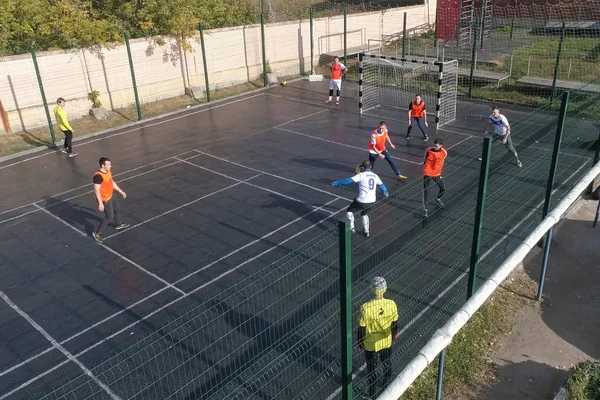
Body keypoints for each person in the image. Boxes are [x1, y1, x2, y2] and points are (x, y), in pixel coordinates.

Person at [358, 276, 400, 398]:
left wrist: (360, 341)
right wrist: (394, 334)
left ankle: (372, 394)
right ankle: (386, 386)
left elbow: (362, 328)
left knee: (371, 368)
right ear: (385, 289)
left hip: (370, 343)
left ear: (371, 289)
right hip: (385, 340)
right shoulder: (391, 304)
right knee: (386, 363)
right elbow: (394, 323)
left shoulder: (366, 307)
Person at [332, 160, 389, 238]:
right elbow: (381, 185)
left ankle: (352, 228)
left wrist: (337, 183)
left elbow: (348, 181)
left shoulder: (361, 175)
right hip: (372, 200)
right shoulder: (375, 176)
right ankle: (366, 232)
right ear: (371, 166)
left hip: (361, 200)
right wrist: (385, 192)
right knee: (364, 214)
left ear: (362, 167)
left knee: (349, 211)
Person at [92, 157, 130, 243]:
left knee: (117, 209)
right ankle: (97, 232)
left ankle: (119, 224)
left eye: (110, 164)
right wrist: (100, 203)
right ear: (102, 165)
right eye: (108, 164)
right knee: (109, 216)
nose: (110, 166)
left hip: (110, 195)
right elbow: (96, 190)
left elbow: (111, 182)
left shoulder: (108, 172)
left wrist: (120, 191)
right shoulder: (98, 176)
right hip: (104, 199)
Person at [422, 138, 448, 217]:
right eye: (434, 145)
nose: (435, 147)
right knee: (426, 191)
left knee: (443, 188)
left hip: (437, 173)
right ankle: (425, 210)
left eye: (436, 146)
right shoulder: (429, 150)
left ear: (441, 146)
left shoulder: (444, 152)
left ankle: (438, 199)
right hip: (428, 173)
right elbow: (425, 159)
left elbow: (443, 160)